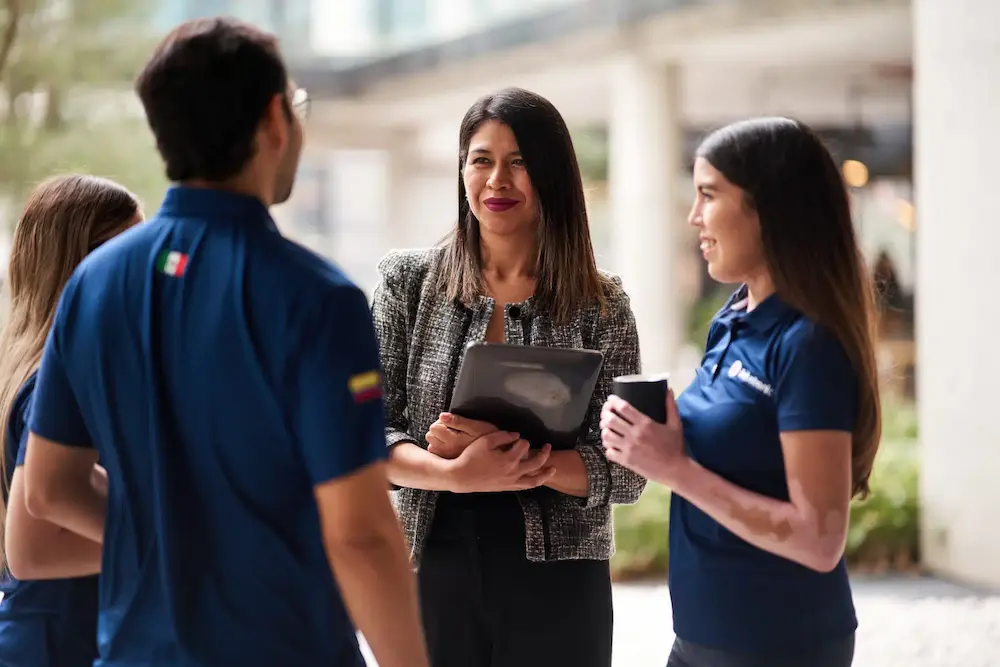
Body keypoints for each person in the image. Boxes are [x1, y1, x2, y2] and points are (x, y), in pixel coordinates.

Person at [19, 18, 428, 667]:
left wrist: (166, 537)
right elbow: (360, 535)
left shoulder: (93, 283)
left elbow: (46, 490)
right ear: (273, 119)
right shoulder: (319, 300)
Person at [372, 86, 646, 667]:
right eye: (482, 160)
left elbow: (628, 471)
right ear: (462, 170)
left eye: (519, 162)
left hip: (562, 584)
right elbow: (368, 437)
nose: (498, 180)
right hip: (432, 567)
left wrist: (515, 463)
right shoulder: (406, 283)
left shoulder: (603, 303)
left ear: (552, 175)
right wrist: (456, 474)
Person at [601, 117, 880, 667]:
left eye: (708, 194)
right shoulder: (732, 317)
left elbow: (819, 540)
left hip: (777, 645)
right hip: (703, 637)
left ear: (769, 209)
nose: (694, 217)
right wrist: (659, 437)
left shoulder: (808, 343)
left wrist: (675, 467)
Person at [0, 174, 141, 667]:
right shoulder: (51, 386)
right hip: (59, 644)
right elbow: (33, 552)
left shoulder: (47, 371)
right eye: (130, 255)